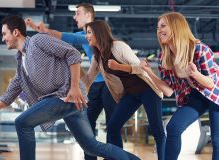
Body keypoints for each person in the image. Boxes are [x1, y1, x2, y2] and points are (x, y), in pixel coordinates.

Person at [0, 15, 140, 160]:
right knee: (91, 147)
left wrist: (74, 87)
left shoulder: (38, 40)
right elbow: (6, 97)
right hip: (67, 101)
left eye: (4, 34)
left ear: (16, 32)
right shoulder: (21, 66)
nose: (2, 38)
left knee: (22, 123)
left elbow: (72, 53)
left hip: (66, 96)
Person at [26, 4, 117, 160]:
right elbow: (70, 38)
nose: (74, 17)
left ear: (88, 16)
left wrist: (46, 31)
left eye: (77, 13)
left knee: (112, 125)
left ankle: (116, 157)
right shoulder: (84, 35)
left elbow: (72, 37)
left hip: (110, 84)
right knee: (88, 123)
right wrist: (40, 30)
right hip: (95, 85)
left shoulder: (96, 34)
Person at [140, 11, 219, 160]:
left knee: (217, 140)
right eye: (158, 28)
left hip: (216, 93)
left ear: (176, 27)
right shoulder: (165, 57)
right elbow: (168, 90)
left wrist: (195, 74)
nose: (159, 30)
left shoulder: (200, 49)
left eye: (163, 26)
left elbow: (210, 83)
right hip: (196, 95)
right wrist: (148, 72)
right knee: (173, 127)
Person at [82, 20, 166, 160]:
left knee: (157, 130)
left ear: (99, 33)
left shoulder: (119, 46)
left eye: (89, 32)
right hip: (130, 94)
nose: (86, 36)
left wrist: (118, 66)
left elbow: (140, 67)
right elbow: (88, 78)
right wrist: (74, 81)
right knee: (113, 127)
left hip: (147, 90)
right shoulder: (98, 56)